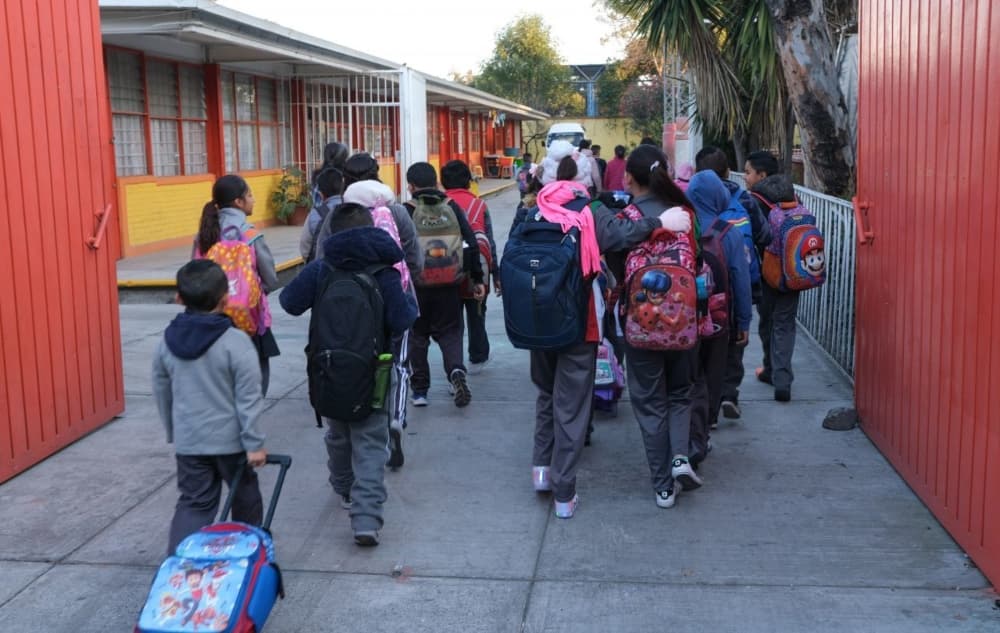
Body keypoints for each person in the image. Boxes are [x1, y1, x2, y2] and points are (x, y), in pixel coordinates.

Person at [512, 154, 685, 518]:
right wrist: (660, 222)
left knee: (546, 396)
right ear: (587, 181)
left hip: (535, 322)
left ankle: (541, 472)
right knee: (571, 409)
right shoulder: (588, 211)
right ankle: (564, 495)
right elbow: (621, 235)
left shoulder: (534, 208)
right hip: (578, 323)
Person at [279, 203, 418, 546]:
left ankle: (344, 489)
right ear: (371, 229)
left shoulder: (322, 269)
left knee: (338, 434)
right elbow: (403, 319)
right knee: (370, 443)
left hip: (327, 371)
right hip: (374, 373)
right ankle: (366, 520)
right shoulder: (384, 271)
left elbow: (288, 302)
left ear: (332, 234)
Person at [596, 144, 700, 509]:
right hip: (684, 323)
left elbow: (608, 248)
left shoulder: (626, 217)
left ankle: (663, 487)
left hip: (639, 325)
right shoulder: (686, 212)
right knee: (680, 394)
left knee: (650, 403)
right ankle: (679, 457)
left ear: (628, 178)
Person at [153, 259, 267, 554]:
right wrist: (254, 442)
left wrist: (173, 430)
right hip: (231, 443)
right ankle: (247, 550)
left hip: (190, 442)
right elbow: (248, 396)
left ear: (179, 298)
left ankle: (180, 560)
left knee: (194, 503)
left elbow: (162, 389)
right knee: (245, 497)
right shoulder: (236, 342)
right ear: (225, 299)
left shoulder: (167, 342)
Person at [695, 146, 773, 419]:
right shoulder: (744, 200)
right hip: (740, 285)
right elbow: (764, 235)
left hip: (701, 294)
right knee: (733, 342)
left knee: (704, 347)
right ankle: (729, 392)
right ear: (728, 171)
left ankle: (706, 405)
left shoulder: (688, 209)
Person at [404, 162, 486, 407]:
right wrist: (477, 278)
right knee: (450, 333)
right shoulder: (450, 206)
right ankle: (456, 372)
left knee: (418, 336)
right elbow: (470, 242)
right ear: (437, 183)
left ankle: (420, 390)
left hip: (416, 287)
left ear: (411, 186)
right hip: (449, 283)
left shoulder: (406, 209)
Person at [684, 170, 753, 450]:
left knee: (688, 373)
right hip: (719, 317)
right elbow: (741, 280)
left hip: (683, 316)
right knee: (713, 372)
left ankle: (687, 424)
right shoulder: (729, 233)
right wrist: (744, 322)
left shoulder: (680, 228)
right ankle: (706, 424)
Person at [194, 175, 280, 395]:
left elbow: (194, 272)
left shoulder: (204, 234)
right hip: (249, 316)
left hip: (211, 315)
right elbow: (270, 278)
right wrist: (249, 292)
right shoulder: (249, 234)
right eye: (249, 195)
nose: (253, 199)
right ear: (238, 202)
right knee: (256, 371)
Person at [314, 152, 423, 282]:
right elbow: (414, 257)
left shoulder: (336, 214)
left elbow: (321, 256)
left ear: (345, 180)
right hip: (395, 287)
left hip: (350, 291)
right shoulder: (397, 211)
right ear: (376, 176)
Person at [441, 160, 500, 372]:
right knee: (477, 313)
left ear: (442, 181)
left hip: (448, 268)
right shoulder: (479, 205)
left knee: (453, 319)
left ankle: (455, 362)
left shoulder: (442, 205)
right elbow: (490, 242)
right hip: (479, 269)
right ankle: (478, 355)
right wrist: (496, 275)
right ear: (468, 181)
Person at [751, 173, 801, 402]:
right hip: (793, 275)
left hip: (769, 276)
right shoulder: (799, 210)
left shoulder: (767, 212)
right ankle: (783, 380)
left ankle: (770, 370)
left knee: (767, 322)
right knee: (785, 325)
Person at [299, 166, 344, 262]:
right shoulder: (353, 209)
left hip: (320, 267)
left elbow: (304, 247)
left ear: (321, 194)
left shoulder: (315, 214)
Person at [311, 142, 349, 206]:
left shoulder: (318, 174)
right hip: (342, 212)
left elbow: (316, 201)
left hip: (321, 212)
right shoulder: (343, 175)